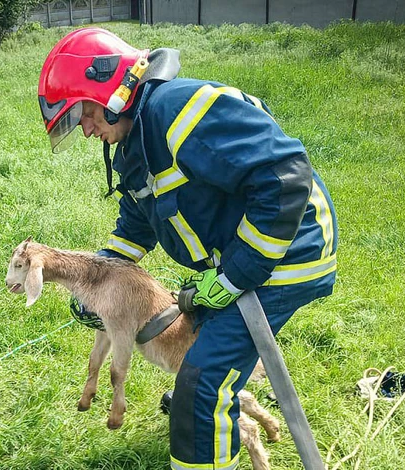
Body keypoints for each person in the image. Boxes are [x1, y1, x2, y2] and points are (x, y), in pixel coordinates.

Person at [37, 28, 338, 470]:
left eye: (80, 114)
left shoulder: (177, 111)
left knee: (201, 386)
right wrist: (97, 276)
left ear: (109, 89)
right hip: (241, 261)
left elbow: (284, 179)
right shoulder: (137, 143)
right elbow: (138, 221)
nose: (84, 131)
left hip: (287, 252)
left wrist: (235, 277)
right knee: (202, 367)